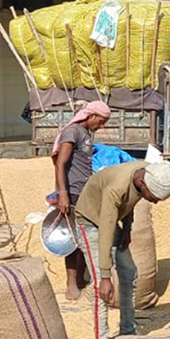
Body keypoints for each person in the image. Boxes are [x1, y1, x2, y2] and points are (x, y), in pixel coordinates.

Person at [73, 158, 170, 339]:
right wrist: (105, 276)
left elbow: (131, 203)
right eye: (153, 197)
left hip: (111, 221)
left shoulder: (147, 171)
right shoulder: (116, 188)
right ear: (142, 184)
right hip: (90, 222)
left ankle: (128, 330)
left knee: (129, 272)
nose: (154, 202)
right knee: (99, 287)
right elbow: (105, 229)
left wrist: (127, 231)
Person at [51, 100, 112, 300]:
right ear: (91, 116)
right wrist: (63, 193)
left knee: (85, 236)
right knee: (72, 239)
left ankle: (81, 279)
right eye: (101, 121)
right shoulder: (73, 132)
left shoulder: (86, 134)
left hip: (85, 191)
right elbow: (61, 163)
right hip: (72, 191)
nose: (101, 126)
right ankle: (71, 284)